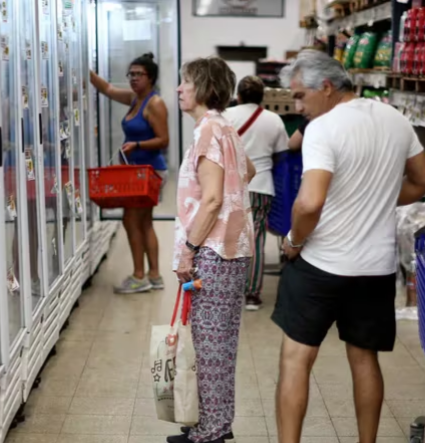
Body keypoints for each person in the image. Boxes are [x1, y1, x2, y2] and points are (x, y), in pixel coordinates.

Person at [272, 50, 425, 443]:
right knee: (364, 359)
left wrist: (293, 240)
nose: (298, 107)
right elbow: (424, 180)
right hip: (374, 268)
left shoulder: (322, 129)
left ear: (326, 87)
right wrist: (380, 198)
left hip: (320, 264)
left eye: (300, 96)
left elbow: (309, 203)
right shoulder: (395, 119)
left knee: (296, 358)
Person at [170, 57, 256, 443]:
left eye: (185, 81)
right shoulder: (225, 126)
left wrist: (189, 249)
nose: (179, 88)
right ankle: (214, 422)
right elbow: (249, 170)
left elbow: (212, 199)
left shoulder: (209, 130)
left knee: (211, 347)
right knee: (217, 344)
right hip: (232, 248)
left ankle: (212, 431)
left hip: (214, 251)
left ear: (203, 87)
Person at [90, 53, 170, 293]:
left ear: (151, 77)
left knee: (131, 220)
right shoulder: (135, 99)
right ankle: (154, 275)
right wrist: (85, 70)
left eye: (139, 74)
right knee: (144, 222)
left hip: (149, 172)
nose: (134, 78)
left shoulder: (154, 103)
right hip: (138, 173)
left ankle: (138, 276)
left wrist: (137, 145)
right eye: (131, 74)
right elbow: (107, 89)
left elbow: (164, 140)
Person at [224, 75, 289, 310]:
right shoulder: (274, 120)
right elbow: (282, 153)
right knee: (256, 240)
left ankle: (228, 290)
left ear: (238, 96)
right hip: (261, 186)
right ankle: (252, 294)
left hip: (230, 186)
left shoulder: (226, 116)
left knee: (228, 238)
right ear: (263, 97)